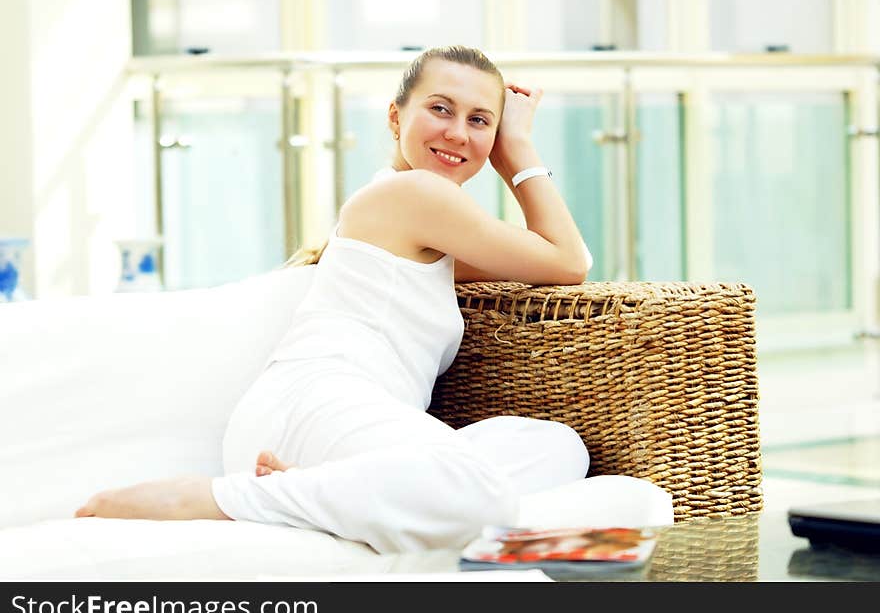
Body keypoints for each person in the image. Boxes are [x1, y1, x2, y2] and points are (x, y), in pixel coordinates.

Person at [75, 45, 594, 555]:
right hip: (315, 404)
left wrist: (504, 142)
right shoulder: (417, 194)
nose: (458, 133)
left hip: (342, 425)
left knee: (556, 447)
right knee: (480, 493)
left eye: (481, 121)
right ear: (396, 117)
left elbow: (551, 266)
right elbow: (570, 262)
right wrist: (519, 148)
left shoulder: (418, 214)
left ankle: (334, 489)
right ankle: (216, 497)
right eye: (440, 108)